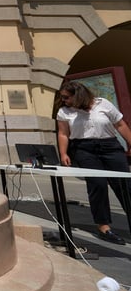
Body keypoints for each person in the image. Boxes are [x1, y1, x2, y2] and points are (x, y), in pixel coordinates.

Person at [56, 81, 131, 246]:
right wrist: (63, 153)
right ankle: (104, 227)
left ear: (79, 95)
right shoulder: (64, 112)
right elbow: (63, 133)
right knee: (97, 184)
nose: (63, 100)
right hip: (84, 149)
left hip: (110, 147)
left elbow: (120, 124)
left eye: (66, 97)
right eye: (62, 97)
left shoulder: (103, 103)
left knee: (125, 185)